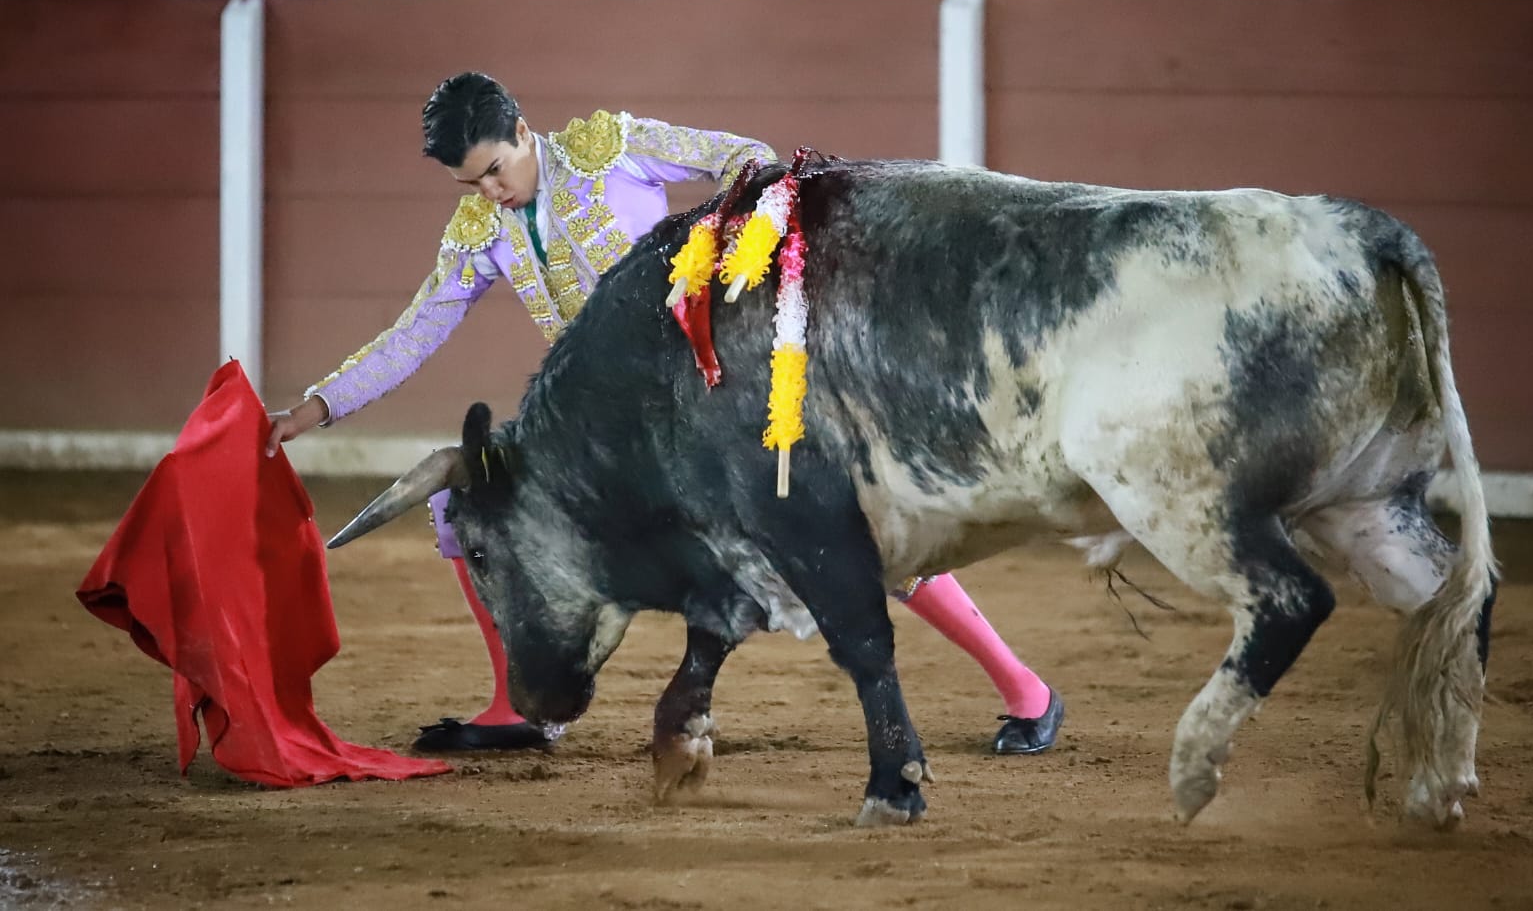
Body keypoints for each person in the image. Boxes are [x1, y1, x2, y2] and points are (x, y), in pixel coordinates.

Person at [266, 72, 1065, 756]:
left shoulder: (610, 148)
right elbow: (415, 331)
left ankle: (1025, 689)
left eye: (494, 171)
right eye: (471, 184)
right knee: (464, 503)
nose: (489, 193)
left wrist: (709, 262)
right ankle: (519, 707)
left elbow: (746, 161)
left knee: (841, 522)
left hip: (710, 390)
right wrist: (316, 407)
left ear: (522, 132)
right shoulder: (480, 231)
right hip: (605, 434)